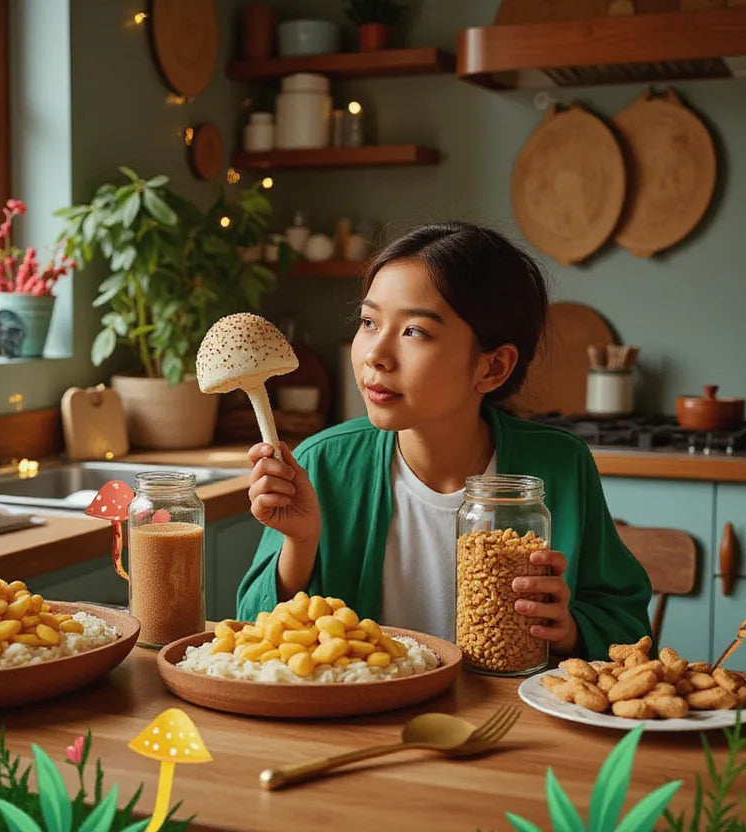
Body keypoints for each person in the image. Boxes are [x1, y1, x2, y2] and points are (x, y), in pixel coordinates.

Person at [235, 221, 652, 660]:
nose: (375, 354)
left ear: (492, 368)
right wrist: (300, 543)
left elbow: (626, 626)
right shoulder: (324, 463)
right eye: (369, 321)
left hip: (508, 720)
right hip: (363, 723)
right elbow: (252, 632)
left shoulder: (557, 467)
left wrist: (565, 630)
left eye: (414, 331)